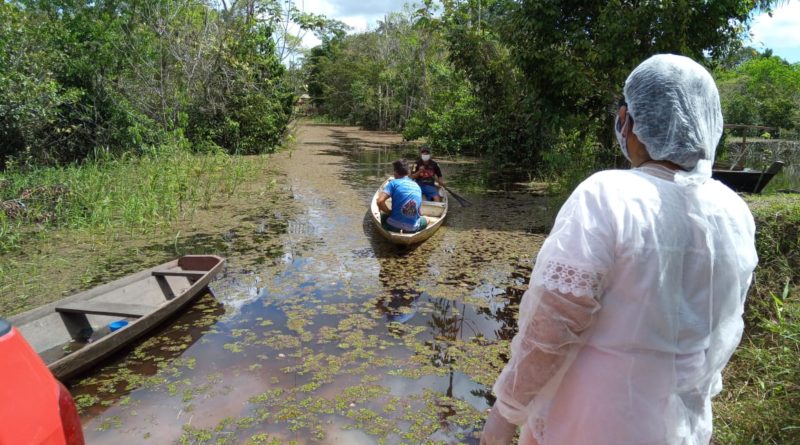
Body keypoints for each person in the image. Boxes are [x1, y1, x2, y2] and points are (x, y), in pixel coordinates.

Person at [480, 54, 758, 445]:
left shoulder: (608, 195)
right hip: (682, 428)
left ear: (629, 120)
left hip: (593, 423)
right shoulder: (734, 212)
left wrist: (505, 415)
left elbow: (553, 325)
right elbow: (724, 326)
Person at [377, 159, 428, 233]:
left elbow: (380, 201)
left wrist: (388, 212)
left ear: (395, 172)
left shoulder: (393, 183)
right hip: (412, 228)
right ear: (408, 172)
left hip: (392, 226)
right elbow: (419, 213)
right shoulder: (417, 186)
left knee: (382, 214)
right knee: (427, 219)